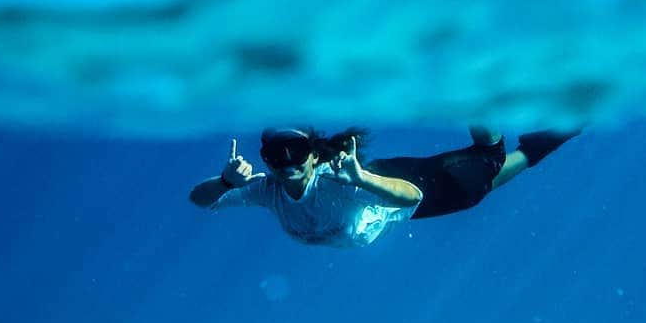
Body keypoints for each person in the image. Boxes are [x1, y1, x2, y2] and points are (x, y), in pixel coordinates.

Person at [189, 125, 579, 249]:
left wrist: (360, 179)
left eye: (296, 152)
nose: (287, 163)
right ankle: (559, 133)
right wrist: (225, 181)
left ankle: (476, 85)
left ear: (312, 156)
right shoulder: (267, 190)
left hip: (399, 185)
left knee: (485, 169)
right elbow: (200, 200)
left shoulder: (338, 184)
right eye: (276, 155)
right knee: (511, 168)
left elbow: (414, 195)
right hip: (384, 187)